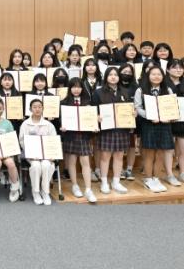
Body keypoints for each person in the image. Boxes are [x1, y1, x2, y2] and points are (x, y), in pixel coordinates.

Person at [134, 66, 175, 193]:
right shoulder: (141, 90)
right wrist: (150, 116)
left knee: (161, 153)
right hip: (149, 124)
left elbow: (172, 107)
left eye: (159, 74)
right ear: (148, 76)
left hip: (164, 125)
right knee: (149, 153)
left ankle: (156, 178)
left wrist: (168, 117)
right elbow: (137, 107)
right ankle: (148, 179)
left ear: (163, 76)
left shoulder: (168, 89)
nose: (156, 76)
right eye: (153, 74)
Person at [93, 67, 133, 195]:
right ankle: (104, 182)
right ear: (106, 77)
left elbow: (129, 108)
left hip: (121, 129)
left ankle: (116, 182)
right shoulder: (98, 92)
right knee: (105, 156)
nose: (113, 77)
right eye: (110, 74)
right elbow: (93, 109)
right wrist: (96, 116)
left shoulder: (125, 92)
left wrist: (133, 113)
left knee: (119, 156)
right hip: (106, 129)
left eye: (116, 74)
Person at [61, 78, 97, 203]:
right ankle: (75, 185)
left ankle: (88, 189)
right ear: (69, 88)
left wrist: (95, 124)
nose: (76, 89)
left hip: (83, 136)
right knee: (71, 161)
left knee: (85, 161)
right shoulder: (64, 103)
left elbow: (92, 120)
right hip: (70, 135)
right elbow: (60, 120)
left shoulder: (88, 103)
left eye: (79, 87)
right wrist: (62, 127)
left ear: (82, 88)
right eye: (73, 87)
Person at [19, 99, 57, 206]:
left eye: (39, 107)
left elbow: (53, 141)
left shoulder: (48, 125)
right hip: (31, 154)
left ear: (43, 108)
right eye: (35, 107)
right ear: (30, 109)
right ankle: (35, 192)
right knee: (35, 166)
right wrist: (31, 153)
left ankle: (45, 192)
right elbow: (22, 141)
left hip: (46, 154)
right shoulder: (25, 124)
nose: (37, 109)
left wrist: (52, 155)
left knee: (46, 165)